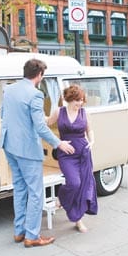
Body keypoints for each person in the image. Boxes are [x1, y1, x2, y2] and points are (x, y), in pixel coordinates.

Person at [0, 58, 74, 248]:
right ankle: (32, 236)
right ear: (40, 75)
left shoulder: (9, 90)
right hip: (27, 150)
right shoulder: (35, 94)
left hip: (9, 146)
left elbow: (4, 117)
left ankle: (19, 232)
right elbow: (40, 127)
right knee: (35, 193)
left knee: (20, 189)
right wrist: (58, 143)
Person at [47, 85, 98, 232]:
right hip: (66, 154)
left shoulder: (84, 112)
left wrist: (92, 141)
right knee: (74, 184)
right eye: (77, 100)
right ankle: (61, 197)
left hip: (83, 152)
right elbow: (46, 123)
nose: (80, 103)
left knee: (82, 187)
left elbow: (89, 130)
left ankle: (78, 219)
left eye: (82, 100)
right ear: (69, 99)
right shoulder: (59, 112)